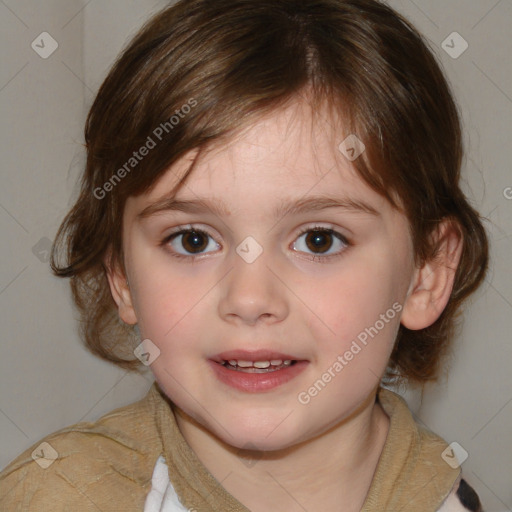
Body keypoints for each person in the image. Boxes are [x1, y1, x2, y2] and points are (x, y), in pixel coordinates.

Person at [0, 0, 489, 510]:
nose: (250, 299)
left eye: (319, 240)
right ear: (121, 273)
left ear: (426, 273)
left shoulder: (452, 498)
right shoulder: (54, 497)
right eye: (193, 240)